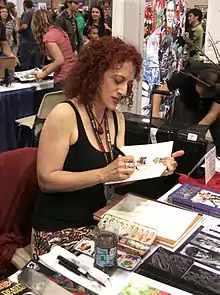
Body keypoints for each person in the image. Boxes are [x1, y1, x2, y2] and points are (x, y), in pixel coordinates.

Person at [32, 36, 183, 258]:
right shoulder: (65, 115)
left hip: (98, 221)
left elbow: (116, 176)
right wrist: (102, 174)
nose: (123, 91)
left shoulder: (116, 118)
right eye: (117, 80)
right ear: (94, 75)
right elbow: (46, 180)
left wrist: (157, 167)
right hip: (58, 229)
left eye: (128, 84)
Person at [152, 63, 220, 155]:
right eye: (201, 93)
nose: (201, 96)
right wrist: (155, 117)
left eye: (206, 96)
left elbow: (213, 114)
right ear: (197, 83)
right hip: (186, 102)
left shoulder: (218, 86)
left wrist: (196, 130)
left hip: (210, 106)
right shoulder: (185, 76)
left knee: (210, 136)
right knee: (177, 135)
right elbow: (158, 93)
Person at [31, 9, 77, 91]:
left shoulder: (49, 37)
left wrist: (43, 74)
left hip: (63, 79)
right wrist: (49, 66)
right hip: (73, 74)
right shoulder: (60, 32)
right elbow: (65, 56)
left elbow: (60, 60)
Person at [18, 0, 40, 70]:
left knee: (26, 63)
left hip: (26, 41)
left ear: (24, 5)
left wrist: (17, 30)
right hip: (35, 41)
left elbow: (24, 26)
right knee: (35, 64)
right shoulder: (36, 14)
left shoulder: (27, 13)